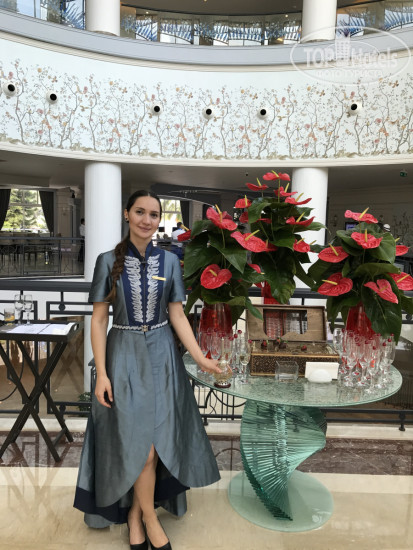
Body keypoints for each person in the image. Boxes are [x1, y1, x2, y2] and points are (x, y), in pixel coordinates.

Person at [74, 190, 221, 550]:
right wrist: (102, 373)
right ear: (127, 214)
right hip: (123, 356)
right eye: (140, 212)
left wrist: (200, 357)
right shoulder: (106, 261)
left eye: (154, 214)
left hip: (162, 357)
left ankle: (138, 517)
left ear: (159, 220)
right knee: (138, 444)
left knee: (157, 444)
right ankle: (147, 518)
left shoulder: (169, 261)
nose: (147, 220)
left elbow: (177, 315)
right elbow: (98, 321)